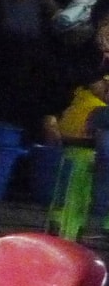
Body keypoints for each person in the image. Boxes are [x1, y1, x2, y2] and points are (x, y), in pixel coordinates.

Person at [50, 73, 109, 245]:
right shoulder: (93, 106)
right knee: (72, 200)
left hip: (80, 155)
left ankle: (69, 233)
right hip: (79, 155)